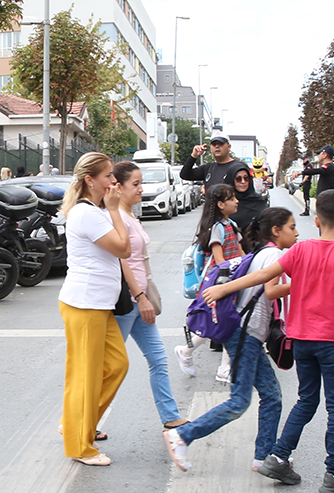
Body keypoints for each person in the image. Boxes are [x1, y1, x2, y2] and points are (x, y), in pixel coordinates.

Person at [202, 189, 334, 493]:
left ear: (317, 221)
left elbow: (263, 276)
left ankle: (279, 456)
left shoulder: (302, 249)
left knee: (306, 400)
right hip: (333, 341)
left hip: (302, 340)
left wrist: (224, 290)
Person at [164, 207, 293, 475]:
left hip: (248, 334)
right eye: (292, 227)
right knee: (239, 402)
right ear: (276, 231)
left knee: (271, 395)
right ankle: (183, 435)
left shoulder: (263, 253)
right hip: (245, 335)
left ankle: (264, 456)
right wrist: (306, 281)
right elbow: (270, 290)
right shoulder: (274, 255)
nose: (297, 232)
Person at [58, 151, 131, 467]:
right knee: (84, 377)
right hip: (85, 303)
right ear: (90, 180)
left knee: (117, 364)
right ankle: (80, 445)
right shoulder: (86, 213)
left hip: (99, 304)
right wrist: (116, 211)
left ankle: (75, 424)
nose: (113, 181)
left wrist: (112, 210)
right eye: (107, 177)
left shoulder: (95, 210)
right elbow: (123, 248)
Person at [110, 162, 188, 433]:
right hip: (127, 303)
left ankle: (170, 416)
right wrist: (140, 296)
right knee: (109, 367)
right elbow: (122, 261)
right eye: (136, 184)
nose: (142, 189)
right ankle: (83, 420)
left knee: (158, 358)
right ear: (118, 188)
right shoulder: (116, 218)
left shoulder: (130, 216)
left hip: (140, 302)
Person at [177, 184, 240, 384]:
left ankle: (186, 351)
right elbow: (219, 259)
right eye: (232, 198)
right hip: (219, 282)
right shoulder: (218, 228)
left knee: (220, 324)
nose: (236, 201)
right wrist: (236, 270)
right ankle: (223, 368)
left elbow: (240, 252)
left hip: (230, 280)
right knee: (226, 324)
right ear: (221, 204)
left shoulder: (232, 224)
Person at [179, 132, 251, 193]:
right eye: (214, 144)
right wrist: (194, 156)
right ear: (211, 148)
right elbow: (185, 175)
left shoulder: (239, 167)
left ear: (229, 147)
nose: (217, 146)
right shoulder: (207, 168)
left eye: (221, 144)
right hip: (211, 209)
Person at [229, 165, 268, 236]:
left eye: (246, 178)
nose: (243, 182)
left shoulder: (258, 201)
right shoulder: (226, 202)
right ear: (232, 180)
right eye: (238, 179)